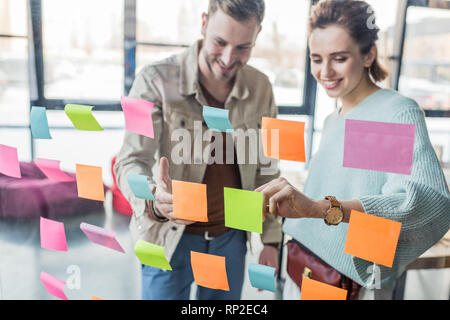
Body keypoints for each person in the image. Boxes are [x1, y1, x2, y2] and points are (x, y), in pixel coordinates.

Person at [256, 0, 450, 300]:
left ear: (369, 54)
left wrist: (320, 208)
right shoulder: (334, 119)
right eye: (316, 58)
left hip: (352, 282)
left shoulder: (395, 112)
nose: (325, 71)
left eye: (339, 58)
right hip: (305, 265)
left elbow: (422, 203)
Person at [114, 0, 281, 300]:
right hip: (165, 238)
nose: (229, 58)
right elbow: (130, 161)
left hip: (230, 240)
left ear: (257, 36)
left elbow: (265, 171)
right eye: (220, 42)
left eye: (243, 47)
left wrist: (270, 241)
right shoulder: (152, 79)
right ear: (204, 23)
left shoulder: (262, 88)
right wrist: (154, 201)